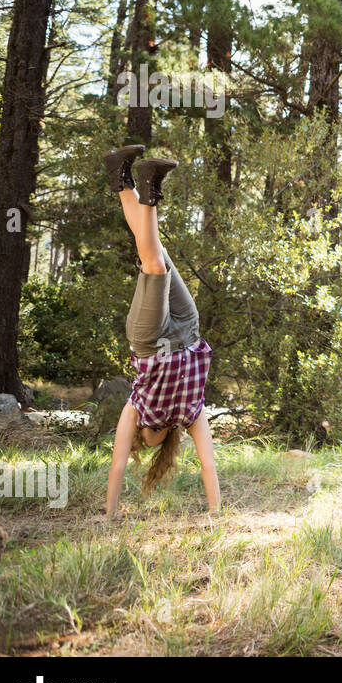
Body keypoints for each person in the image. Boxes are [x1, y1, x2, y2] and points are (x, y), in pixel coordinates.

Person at [101, 145, 220, 517]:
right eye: (156, 441)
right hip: (187, 330)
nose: (151, 440)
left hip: (150, 341)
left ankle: (149, 186)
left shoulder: (135, 410)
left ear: (140, 437)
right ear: (165, 439)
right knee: (156, 252)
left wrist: (110, 515)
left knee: (153, 265)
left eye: (145, 442)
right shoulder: (189, 413)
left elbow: (118, 467)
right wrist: (217, 513)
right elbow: (208, 465)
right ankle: (121, 178)